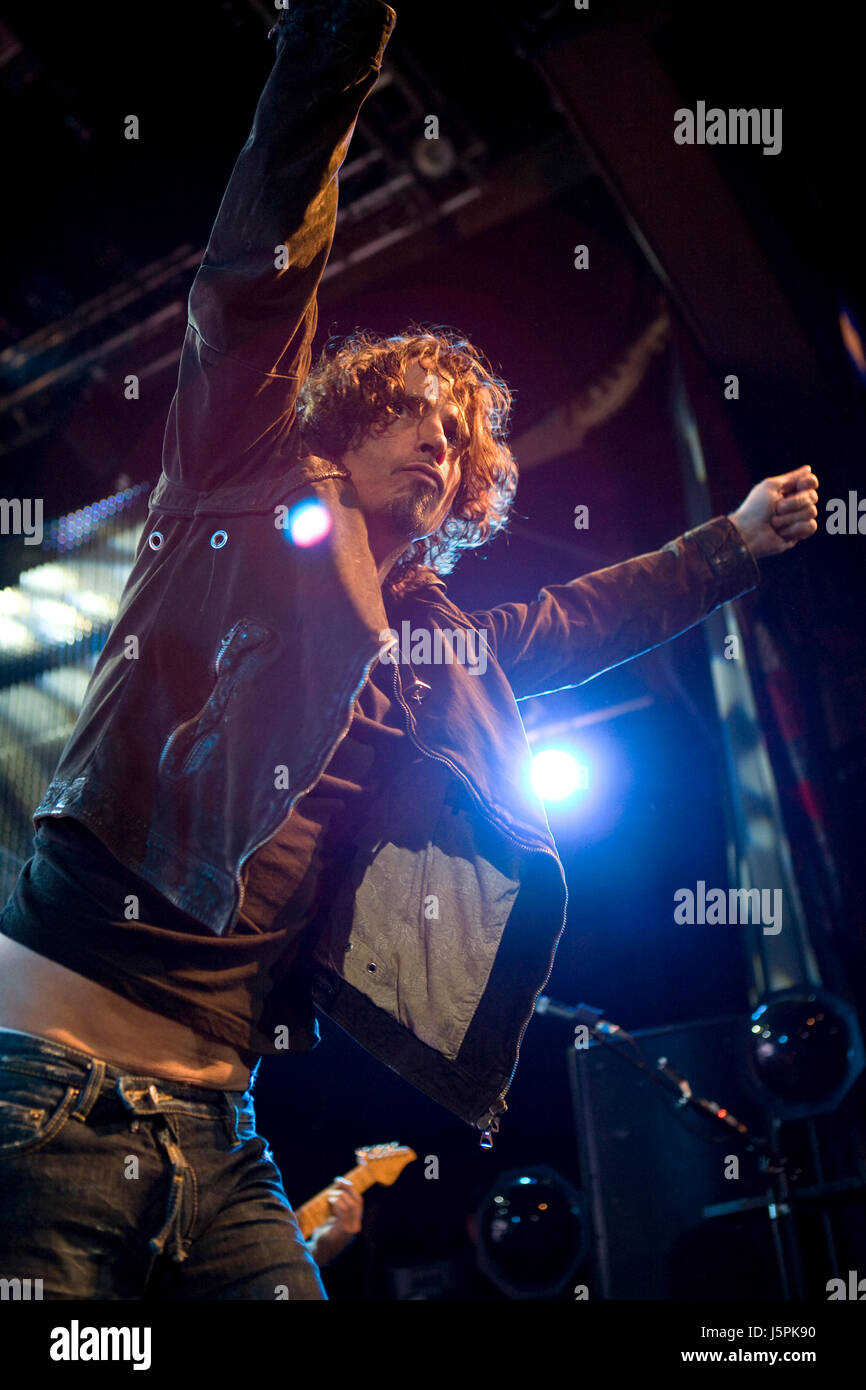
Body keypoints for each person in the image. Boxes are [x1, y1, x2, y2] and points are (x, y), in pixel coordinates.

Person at [0, 0, 819, 1300]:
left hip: (222, 1133)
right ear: (346, 422)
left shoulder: (437, 647)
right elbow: (252, 282)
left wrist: (728, 539)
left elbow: (585, 619)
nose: (439, 443)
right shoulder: (237, 483)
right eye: (415, 417)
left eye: (459, 436)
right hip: (44, 1084)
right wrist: (332, 42)